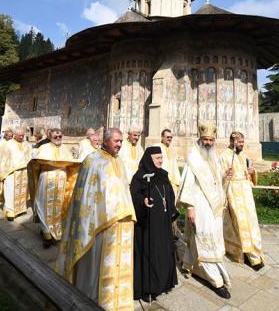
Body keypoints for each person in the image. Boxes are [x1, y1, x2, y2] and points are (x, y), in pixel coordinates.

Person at [57, 128, 136, 310]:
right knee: (96, 268)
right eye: (116, 141)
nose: (119, 144)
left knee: (115, 267)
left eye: (121, 141)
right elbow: (85, 196)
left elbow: (123, 190)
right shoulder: (92, 161)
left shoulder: (119, 161)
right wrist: (90, 222)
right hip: (99, 225)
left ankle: (115, 302)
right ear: (105, 141)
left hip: (119, 225)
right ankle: (91, 301)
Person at [178, 123, 231, 299]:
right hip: (199, 204)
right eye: (205, 139)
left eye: (210, 140)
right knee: (202, 236)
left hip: (213, 207)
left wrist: (225, 177)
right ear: (200, 140)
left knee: (211, 238)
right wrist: (190, 208)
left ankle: (193, 264)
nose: (208, 142)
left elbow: (215, 180)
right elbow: (187, 183)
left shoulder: (213, 157)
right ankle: (214, 279)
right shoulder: (193, 156)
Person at [130, 146, 178, 302]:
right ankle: (149, 288)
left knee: (163, 251)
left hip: (163, 222)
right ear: (149, 159)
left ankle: (163, 283)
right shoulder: (140, 177)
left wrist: (170, 207)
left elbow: (169, 193)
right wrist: (143, 201)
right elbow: (134, 196)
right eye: (157, 158)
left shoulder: (163, 175)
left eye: (161, 158)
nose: (160, 161)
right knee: (150, 254)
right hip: (148, 224)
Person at [219, 132, 265, 269]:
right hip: (233, 194)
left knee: (252, 224)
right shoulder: (224, 157)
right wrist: (226, 175)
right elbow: (218, 177)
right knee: (239, 224)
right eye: (239, 142)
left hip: (246, 195)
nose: (242, 144)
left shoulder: (243, 156)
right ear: (232, 142)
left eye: (243, 142)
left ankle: (254, 252)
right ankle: (245, 255)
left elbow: (248, 173)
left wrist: (252, 172)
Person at [33, 128, 73, 244]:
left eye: (60, 136)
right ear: (50, 137)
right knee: (44, 203)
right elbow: (36, 163)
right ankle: (45, 229)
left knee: (58, 204)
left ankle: (57, 228)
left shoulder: (65, 148)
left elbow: (70, 162)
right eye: (56, 137)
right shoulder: (43, 148)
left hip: (61, 178)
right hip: (47, 177)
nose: (58, 139)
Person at [0, 128, 32, 220]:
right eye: (20, 135)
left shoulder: (27, 144)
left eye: (23, 135)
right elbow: (2, 158)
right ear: (14, 135)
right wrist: (1, 172)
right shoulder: (8, 144)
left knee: (22, 191)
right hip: (11, 171)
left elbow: (31, 156)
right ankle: (10, 210)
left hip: (24, 171)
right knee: (10, 191)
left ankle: (20, 208)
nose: (21, 137)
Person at [156, 129, 181, 195]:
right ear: (162, 137)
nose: (169, 139)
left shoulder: (171, 150)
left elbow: (175, 167)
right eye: (167, 137)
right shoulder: (156, 147)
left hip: (171, 183)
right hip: (160, 182)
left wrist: (178, 181)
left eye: (171, 137)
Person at [0, 128, 14, 200]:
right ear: (5, 136)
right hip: (1, 165)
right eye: (9, 136)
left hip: (9, 165)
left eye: (11, 136)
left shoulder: (12, 143)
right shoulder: (1, 143)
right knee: (0, 182)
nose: (10, 138)